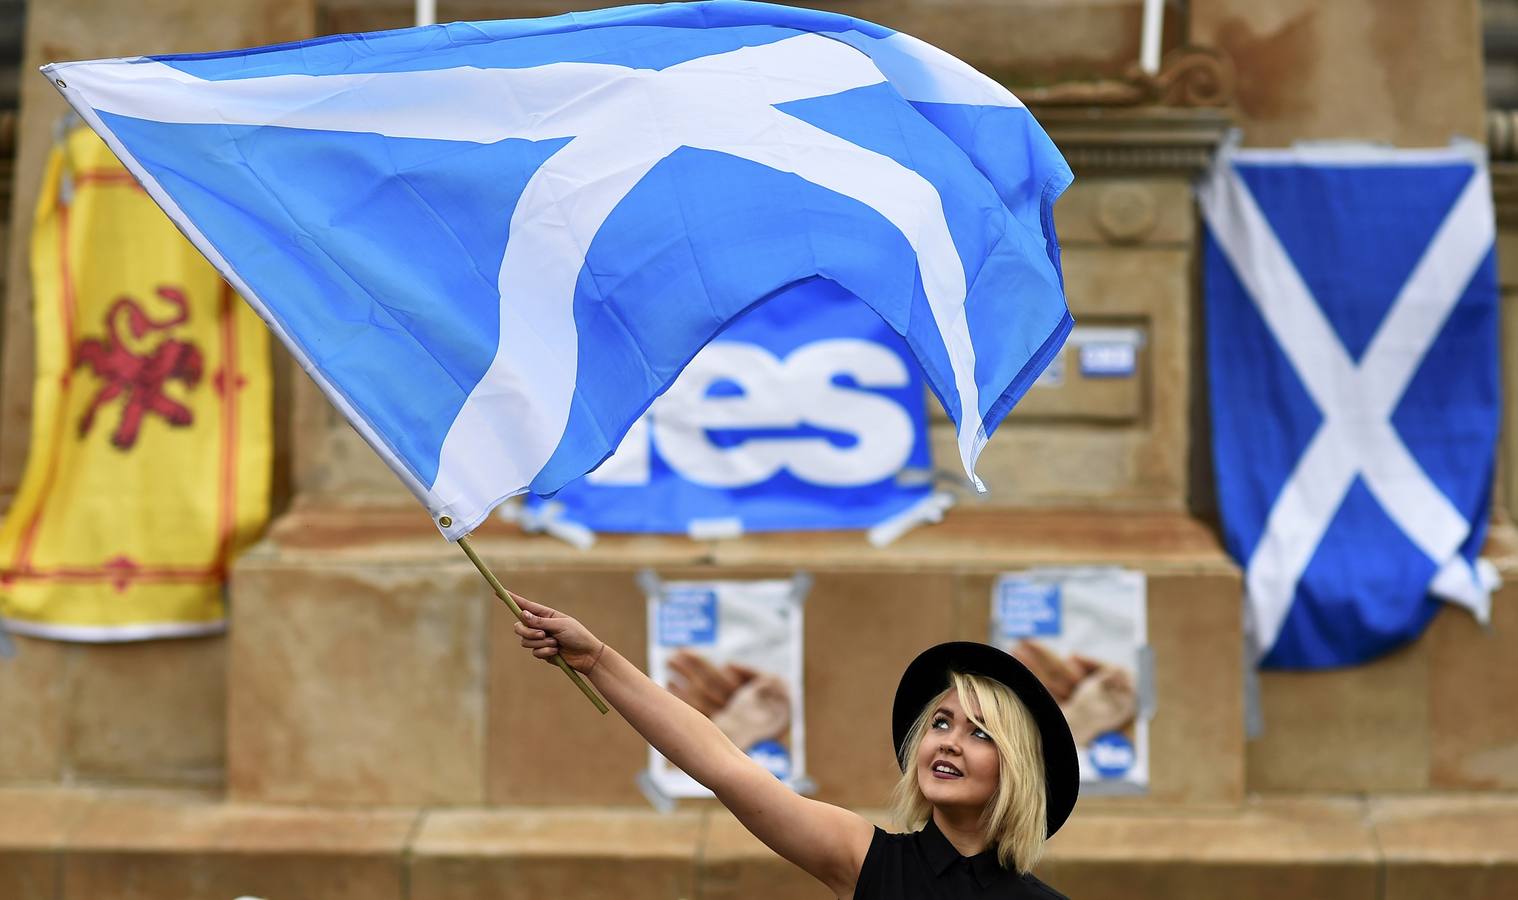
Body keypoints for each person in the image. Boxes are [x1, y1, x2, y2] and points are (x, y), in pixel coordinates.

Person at [514, 598, 1079, 899]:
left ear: (1018, 772)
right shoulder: (870, 862)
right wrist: (598, 661)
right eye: (940, 722)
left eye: (980, 733)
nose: (949, 743)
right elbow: (726, 768)